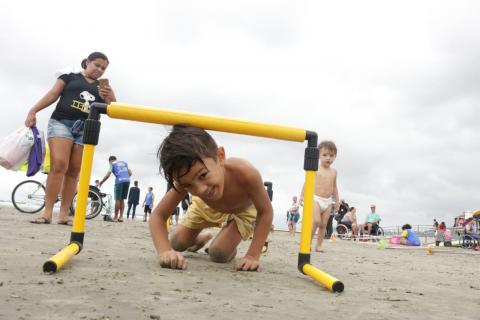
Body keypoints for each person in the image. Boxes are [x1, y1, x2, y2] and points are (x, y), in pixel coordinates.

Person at [149, 124, 273, 271]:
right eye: (189, 185)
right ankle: (199, 239)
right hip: (206, 205)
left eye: (203, 175)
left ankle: (229, 243)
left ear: (220, 156)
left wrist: (252, 256)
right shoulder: (186, 180)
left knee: (218, 253)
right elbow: (158, 216)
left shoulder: (246, 174)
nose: (200, 189)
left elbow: (265, 212)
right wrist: (164, 251)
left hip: (242, 210)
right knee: (177, 243)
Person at [26, 52, 116, 225]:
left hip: (86, 129)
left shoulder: (102, 87)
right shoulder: (69, 77)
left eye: (103, 68)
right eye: (96, 65)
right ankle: (47, 213)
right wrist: (33, 110)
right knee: (59, 165)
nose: (99, 70)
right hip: (61, 123)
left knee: (74, 172)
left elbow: (113, 110)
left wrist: (109, 96)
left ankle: (64, 214)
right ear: (87, 62)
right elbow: (52, 94)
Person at [300, 140, 339, 252]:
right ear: (319, 156)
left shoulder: (334, 172)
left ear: (335, 157)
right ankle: (307, 242)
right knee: (316, 221)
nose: (328, 158)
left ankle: (319, 245)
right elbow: (307, 182)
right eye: (325, 155)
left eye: (331, 156)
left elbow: (335, 187)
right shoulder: (315, 169)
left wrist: (337, 201)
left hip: (327, 201)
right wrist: (302, 195)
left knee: (323, 224)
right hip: (315, 198)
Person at [98, 156, 132, 222]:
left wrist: (101, 182)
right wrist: (125, 176)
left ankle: (116, 217)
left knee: (117, 199)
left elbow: (108, 175)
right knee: (122, 199)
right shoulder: (124, 163)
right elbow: (130, 173)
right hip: (127, 180)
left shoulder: (112, 164)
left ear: (110, 161)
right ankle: (121, 217)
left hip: (119, 181)